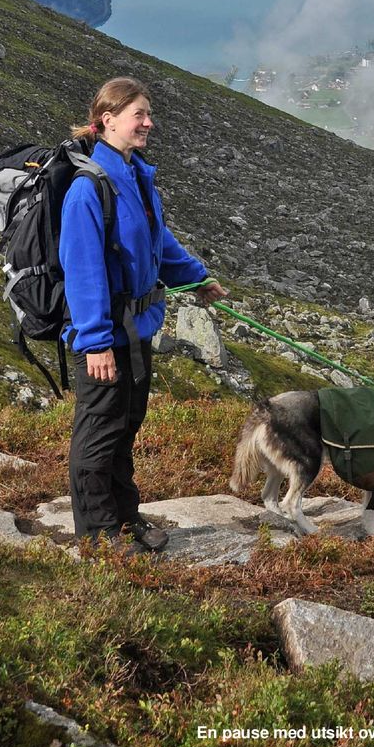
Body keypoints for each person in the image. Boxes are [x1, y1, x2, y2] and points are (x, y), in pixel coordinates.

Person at [60, 76, 227, 555]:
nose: (148, 123)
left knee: (126, 425)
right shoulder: (88, 189)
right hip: (105, 335)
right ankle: (97, 534)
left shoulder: (135, 176)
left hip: (136, 330)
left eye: (148, 114)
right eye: (139, 115)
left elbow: (159, 243)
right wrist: (94, 342)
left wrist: (196, 278)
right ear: (107, 120)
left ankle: (124, 518)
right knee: (98, 431)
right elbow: (83, 271)